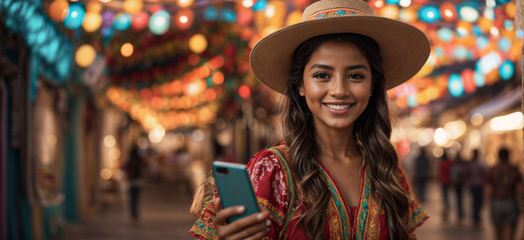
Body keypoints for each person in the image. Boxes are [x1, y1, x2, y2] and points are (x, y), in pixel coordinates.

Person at [189, 0, 430, 239]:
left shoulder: (388, 172)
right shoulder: (273, 171)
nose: (339, 90)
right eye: (322, 75)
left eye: (355, 75)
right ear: (300, 85)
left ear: (372, 86)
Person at [485, 148, 523, 240]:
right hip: (510, 202)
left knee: (498, 231)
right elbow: (519, 190)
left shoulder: (492, 170)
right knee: (509, 232)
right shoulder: (514, 170)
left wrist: (487, 204)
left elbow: (488, 190)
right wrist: (520, 204)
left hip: (496, 202)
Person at [123, 147, 145, 221]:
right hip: (137, 181)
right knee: (136, 198)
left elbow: (124, 167)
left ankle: (133, 212)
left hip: (132, 181)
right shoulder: (138, 161)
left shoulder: (130, 161)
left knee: (132, 198)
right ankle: (135, 213)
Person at [465, 149, 486, 224]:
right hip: (478, 184)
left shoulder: (470, 164)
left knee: (475, 200)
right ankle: (476, 214)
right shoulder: (480, 163)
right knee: (478, 200)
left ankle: (475, 214)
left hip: (472, 184)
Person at [450, 151, 467, 220]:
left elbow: (452, 174)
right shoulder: (462, 166)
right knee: (460, 198)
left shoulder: (455, 166)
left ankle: (460, 212)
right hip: (460, 183)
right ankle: (460, 212)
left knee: (458, 198)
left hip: (458, 183)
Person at [437, 151, 454, 220]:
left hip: (443, 181)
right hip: (449, 181)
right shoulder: (450, 163)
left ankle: (446, 205)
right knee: (448, 194)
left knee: (445, 194)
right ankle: (448, 206)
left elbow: (439, 172)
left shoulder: (441, 164)